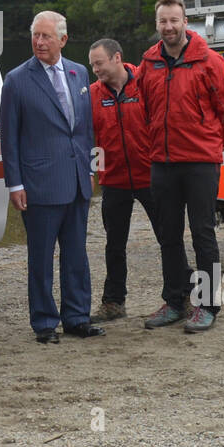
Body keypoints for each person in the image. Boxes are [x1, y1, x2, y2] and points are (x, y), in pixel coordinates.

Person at [0, 11, 105, 343]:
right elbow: (9, 136)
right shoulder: (17, 80)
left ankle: (76, 317)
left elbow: (85, 129)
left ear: (63, 39)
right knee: (41, 257)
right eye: (35, 35)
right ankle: (45, 322)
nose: (39, 42)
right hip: (39, 184)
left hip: (76, 180)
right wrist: (14, 183)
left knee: (76, 254)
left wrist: (89, 169)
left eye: (46, 36)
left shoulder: (79, 73)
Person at [137, 0, 224, 332]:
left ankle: (208, 305)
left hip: (199, 162)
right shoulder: (148, 62)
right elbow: (144, 110)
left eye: (174, 20)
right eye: (162, 21)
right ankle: (175, 300)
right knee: (168, 234)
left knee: (203, 234)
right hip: (163, 162)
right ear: (157, 24)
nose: (168, 27)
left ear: (185, 22)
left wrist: (212, 140)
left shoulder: (209, 61)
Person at [88, 37, 159, 323]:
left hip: (151, 175)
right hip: (114, 179)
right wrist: (97, 170)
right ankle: (114, 303)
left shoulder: (145, 83)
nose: (95, 70)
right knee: (114, 244)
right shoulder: (92, 94)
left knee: (168, 237)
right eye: (92, 65)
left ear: (117, 58)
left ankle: (183, 295)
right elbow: (89, 136)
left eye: (99, 63)